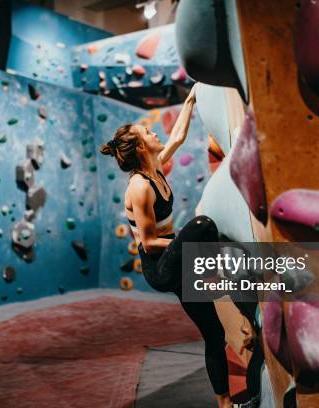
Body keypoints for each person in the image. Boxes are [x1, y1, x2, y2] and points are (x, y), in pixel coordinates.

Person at [100, 85, 233, 408]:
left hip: (175, 257)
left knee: (215, 335)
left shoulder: (155, 167)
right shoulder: (139, 187)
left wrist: (190, 99)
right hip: (160, 267)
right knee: (203, 225)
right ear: (140, 147)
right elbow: (147, 243)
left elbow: (176, 138)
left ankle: (225, 403)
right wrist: (186, 247)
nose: (154, 132)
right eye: (147, 131)